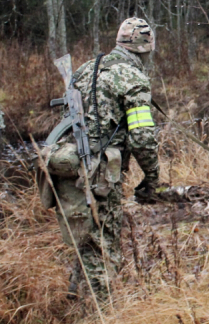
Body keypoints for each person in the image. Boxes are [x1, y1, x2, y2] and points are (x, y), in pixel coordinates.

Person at [39, 17, 161, 303]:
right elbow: (142, 138)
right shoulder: (134, 78)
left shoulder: (85, 69)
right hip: (101, 173)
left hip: (70, 165)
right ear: (146, 50)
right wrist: (152, 177)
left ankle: (76, 290)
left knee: (87, 237)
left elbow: (67, 121)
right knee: (104, 245)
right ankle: (99, 318)